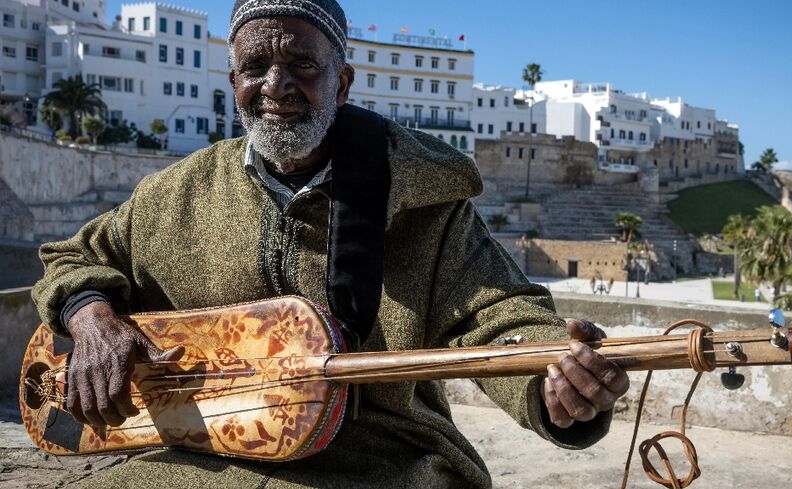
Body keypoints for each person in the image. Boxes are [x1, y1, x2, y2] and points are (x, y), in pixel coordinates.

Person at [31, 1, 629, 487]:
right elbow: (73, 257)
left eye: (302, 64)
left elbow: (499, 317)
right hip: (199, 452)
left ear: (342, 82)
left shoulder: (421, 199)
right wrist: (90, 317)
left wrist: (554, 383)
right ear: (232, 80)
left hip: (380, 459)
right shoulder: (172, 194)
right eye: (255, 66)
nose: (276, 85)